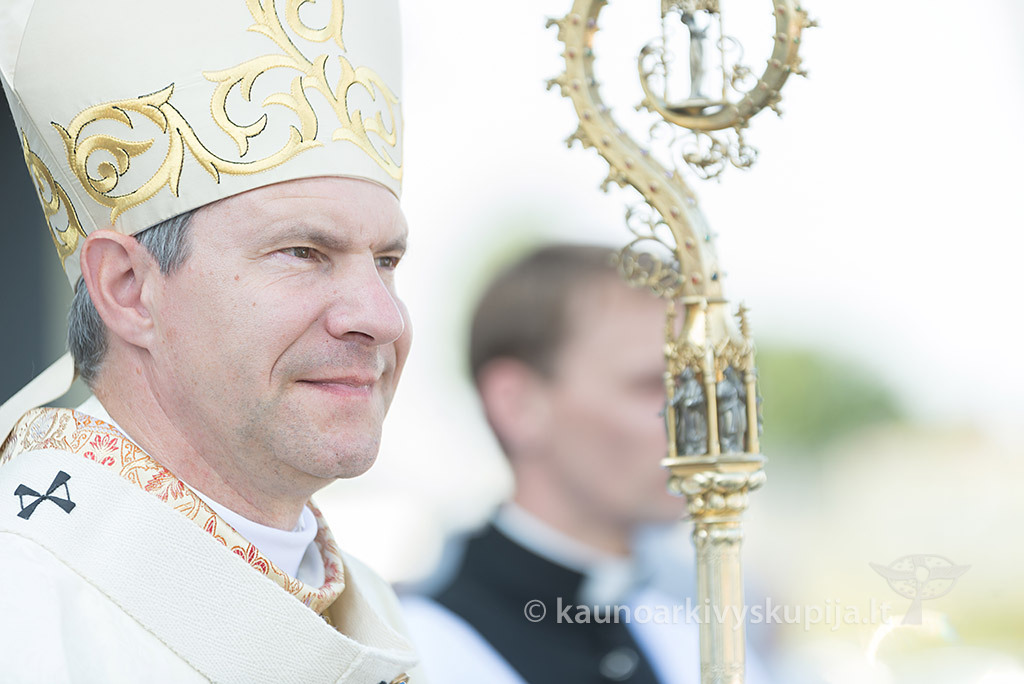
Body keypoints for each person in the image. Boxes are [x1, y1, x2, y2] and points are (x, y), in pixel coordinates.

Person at [0, 1, 422, 682]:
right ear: (128, 289)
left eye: (386, 261)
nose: (382, 317)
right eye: (303, 252)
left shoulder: (374, 607)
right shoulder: (23, 601)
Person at [400, 244, 771, 684]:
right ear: (517, 404)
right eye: (655, 385)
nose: (704, 420)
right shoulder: (415, 657)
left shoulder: (688, 641)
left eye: (705, 386)